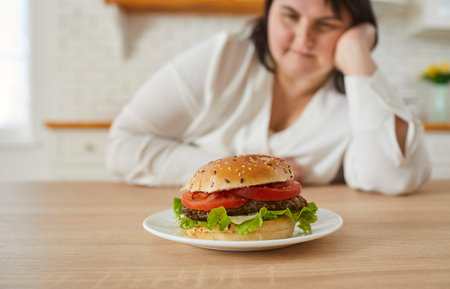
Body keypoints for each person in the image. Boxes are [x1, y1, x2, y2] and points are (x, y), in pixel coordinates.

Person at [106, 0, 431, 195]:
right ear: (268, 13)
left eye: (327, 24)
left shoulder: (358, 99)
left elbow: (395, 177)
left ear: (353, 31)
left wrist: (358, 57)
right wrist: (247, 172)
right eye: (290, 16)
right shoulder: (222, 58)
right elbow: (123, 146)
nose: (304, 38)